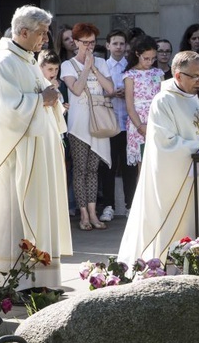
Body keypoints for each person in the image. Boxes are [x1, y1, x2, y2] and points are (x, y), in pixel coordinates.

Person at [0, 5, 72, 290]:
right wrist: (41, 99)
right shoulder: (4, 62)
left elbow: (42, 96)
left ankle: (38, 279)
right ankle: (12, 281)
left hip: (37, 152)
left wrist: (50, 98)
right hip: (16, 157)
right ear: (23, 32)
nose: (46, 38)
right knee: (14, 216)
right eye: (42, 33)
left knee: (35, 213)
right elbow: (4, 112)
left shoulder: (29, 60)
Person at [117, 50, 199, 265]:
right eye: (195, 76)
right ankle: (174, 266)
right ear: (178, 75)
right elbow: (165, 143)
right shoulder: (163, 101)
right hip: (182, 176)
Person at [60, 22, 114, 231]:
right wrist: (85, 68)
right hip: (78, 123)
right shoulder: (67, 65)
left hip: (98, 121)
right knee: (80, 169)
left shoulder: (101, 62)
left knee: (93, 169)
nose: (89, 46)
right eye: (85, 43)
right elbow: (76, 89)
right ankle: (83, 214)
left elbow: (110, 89)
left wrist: (94, 67)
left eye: (92, 42)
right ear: (75, 42)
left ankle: (93, 213)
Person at [100, 29, 137, 221]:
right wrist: (113, 93)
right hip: (109, 123)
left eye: (122, 43)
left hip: (129, 124)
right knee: (108, 166)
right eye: (115, 43)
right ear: (108, 45)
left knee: (129, 166)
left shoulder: (130, 67)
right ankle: (108, 205)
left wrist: (128, 92)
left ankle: (130, 206)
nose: (119, 47)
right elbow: (97, 93)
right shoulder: (103, 66)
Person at [123, 35, 163, 173]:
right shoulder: (130, 75)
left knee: (159, 162)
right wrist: (140, 125)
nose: (150, 62)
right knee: (143, 164)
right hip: (138, 121)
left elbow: (163, 97)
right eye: (146, 58)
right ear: (137, 54)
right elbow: (129, 105)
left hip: (157, 118)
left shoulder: (158, 72)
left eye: (153, 58)